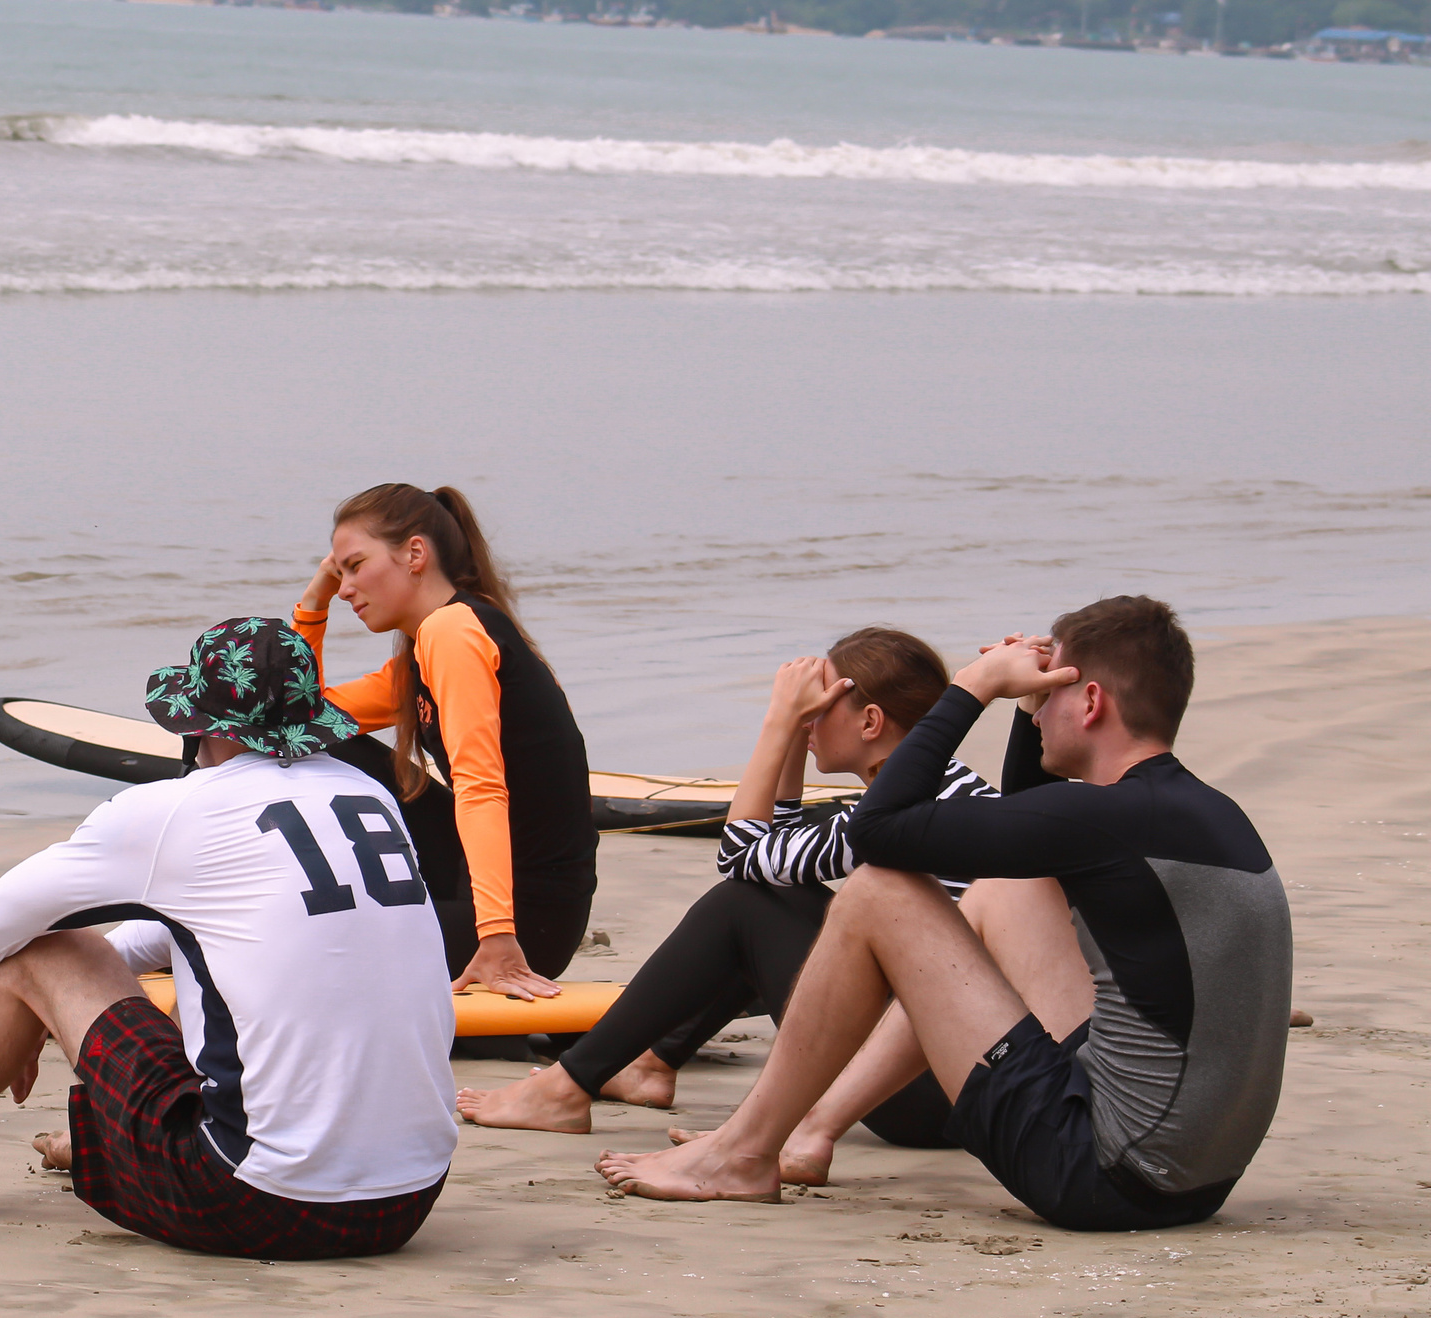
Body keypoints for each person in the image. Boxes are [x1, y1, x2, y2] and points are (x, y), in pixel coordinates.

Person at [0, 619, 458, 1260]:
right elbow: (205, 925)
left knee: (47, 947)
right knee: (200, 963)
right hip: (407, 1201)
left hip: (263, 1202)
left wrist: (24, 1013)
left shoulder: (178, 809)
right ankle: (99, 1131)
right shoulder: (367, 795)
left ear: (206, 725)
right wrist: (59, 1003)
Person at [598, 598, 1291, 1232]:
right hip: (1194, 1177)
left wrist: (975, 687)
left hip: (1103, 1175)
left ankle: (744, 1153)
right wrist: (1024, 715)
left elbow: (878, 833)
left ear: (1090, 700)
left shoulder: (1109, 818)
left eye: (1048, 697)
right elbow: (1032, 840)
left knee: (878, 890)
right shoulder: (1197, 813)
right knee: (1002, 888)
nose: (1038, 707)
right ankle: (811, 1124)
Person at [457, 627, 1046, 1148]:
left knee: (745, 905)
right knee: (773, 897)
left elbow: (740, 857)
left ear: (870, 722)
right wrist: (796, 733)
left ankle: (567, 1088)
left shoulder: (901, 816)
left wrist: (779, 721)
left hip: (921, 1098)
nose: (811, 721)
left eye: (822, 709)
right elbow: (777, 856)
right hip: (953, 1077)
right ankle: (653, 1061)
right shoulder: (946, 790)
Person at [293, 484, 595, 1003]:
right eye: (337, 572)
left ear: (415, 554)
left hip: (521, 922)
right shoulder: (428, 646)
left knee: (302, 953)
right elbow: (302, 718)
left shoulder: (454, 631)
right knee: (322, 747)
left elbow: (481, 786)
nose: (345, 588)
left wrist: (497, 935)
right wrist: (313, 601)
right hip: (482, 890)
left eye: (355, 566)